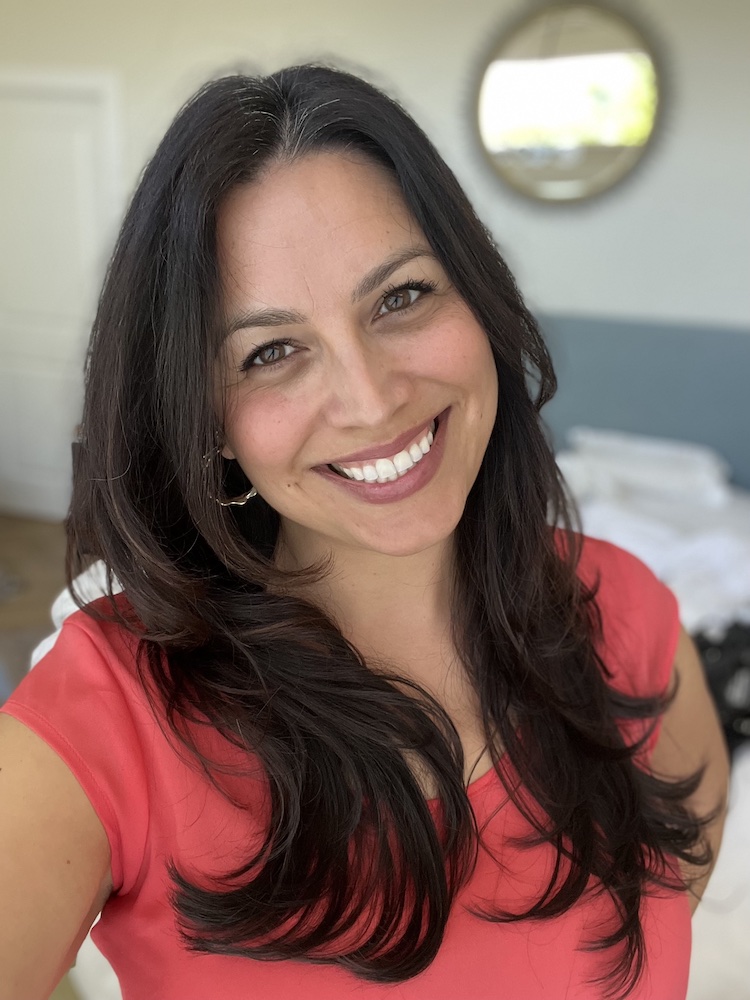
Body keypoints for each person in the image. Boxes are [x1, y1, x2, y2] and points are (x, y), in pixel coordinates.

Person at [0, 65, 729, 1000]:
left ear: (479, 299)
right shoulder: (102, 722)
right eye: (271, 353)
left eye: (401, 298)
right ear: (207, 421)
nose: (371, 398)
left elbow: (677, 888)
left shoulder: (627, 610)